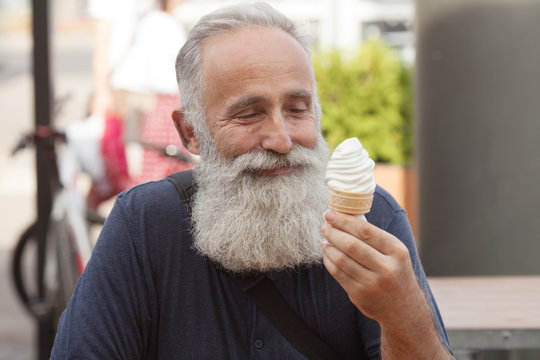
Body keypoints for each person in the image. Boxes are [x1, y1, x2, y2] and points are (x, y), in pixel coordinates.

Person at [51, 3, 453, 359]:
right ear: (190, 132)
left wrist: (403, 317)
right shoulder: (144, 224)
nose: (281, 140)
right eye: (249, 114)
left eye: (297, 109)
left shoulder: (373, 218)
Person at [86, 0, 194, 208]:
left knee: (141, 167)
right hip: (149, 99)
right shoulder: (160, 21)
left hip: (145, 97)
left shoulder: (154, 18)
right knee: (152, 168)